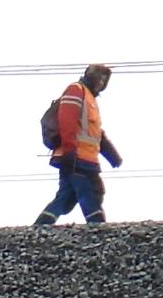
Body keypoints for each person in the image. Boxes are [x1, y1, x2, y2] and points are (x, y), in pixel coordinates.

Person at [35, 64, 123, 227]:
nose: (102, 82)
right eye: (99, 77)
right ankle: (98, 226)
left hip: (84, 157)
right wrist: (70, 152)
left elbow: (96, 133)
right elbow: (67, 122)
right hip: (77, 157)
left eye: (105, 79)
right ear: (90, 76)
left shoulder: (90, 98)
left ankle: (41, 226)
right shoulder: (76, 90)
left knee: (66, 196)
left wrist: (112, 156)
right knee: (91, 193)